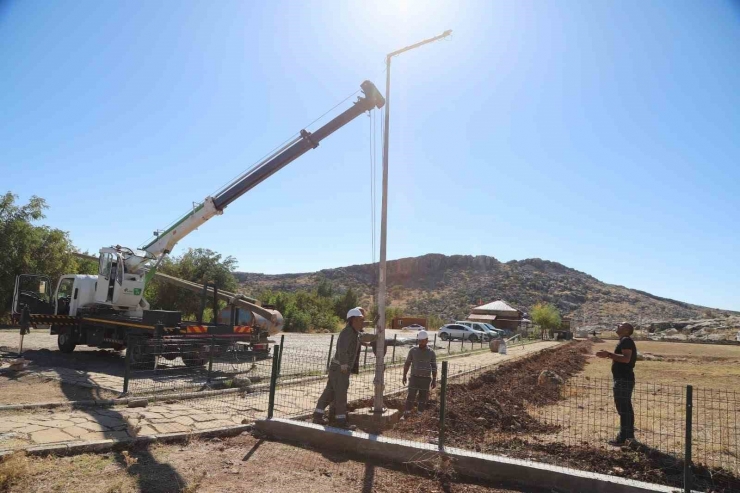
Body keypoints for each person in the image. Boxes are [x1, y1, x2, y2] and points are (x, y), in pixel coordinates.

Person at [313, 307, 374, 429]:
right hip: (340, 368)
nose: (362, 322)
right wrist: (344, 364)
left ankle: (317, 416)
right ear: (354, 320)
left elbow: (361, 337)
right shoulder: (347, 332)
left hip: (337, 368)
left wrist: (375, 338)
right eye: (360, 320)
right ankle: (341, 421)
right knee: (341, 394)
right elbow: (342, 349)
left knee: (329, 393)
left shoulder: (353, 332)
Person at [596, 322, 638, 445]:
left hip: (623, 380)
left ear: (626, 330)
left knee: (624, 409)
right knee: (625, 409)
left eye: (620, 325)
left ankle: (623, 438)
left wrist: (608, 354)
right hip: (623, 379)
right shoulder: (625, 340)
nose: (617, 326)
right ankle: (628, 437)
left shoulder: (626, 340)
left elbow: (626, 358)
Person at [402, 330, 437, 416]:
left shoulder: (431, 352)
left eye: (423, 341)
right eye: (419, 341)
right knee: (411, 395)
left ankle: (419, 413)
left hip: (425, 379)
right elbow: (407, 364)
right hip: (414, 377)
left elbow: (434, 367)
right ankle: (407, 412)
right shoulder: (413, 351)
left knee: (423, 397)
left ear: (427, 340)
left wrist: (434, 379)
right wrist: (404, 375)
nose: (421, 343)